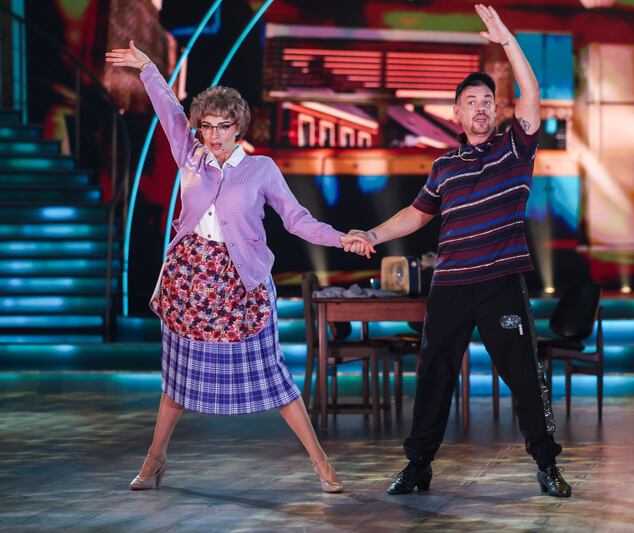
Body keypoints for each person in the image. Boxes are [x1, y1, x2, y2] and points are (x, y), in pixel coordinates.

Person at [106, 42, 375, 494]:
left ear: (238, 128)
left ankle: (320, 461)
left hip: (239, 282)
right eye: (206, 126)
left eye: (223, 126)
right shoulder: (189, 155)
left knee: (275, 377)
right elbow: (169, 110)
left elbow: (297, 220)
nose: (213, 134)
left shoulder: (260, 169)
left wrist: (341, 237)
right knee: (177, 380)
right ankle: (155, 460)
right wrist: (150, 68)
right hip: (189, 279)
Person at [344, 4, 571, 497]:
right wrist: (372, 235)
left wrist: (505, 39)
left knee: (524, 377)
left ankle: (547, 465)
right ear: (458, 113)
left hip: (500, 283)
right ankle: (418, 466)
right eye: (471, 101)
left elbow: (532, 94)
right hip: (449, 284)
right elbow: (416, 215)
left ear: (497, 108)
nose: (481, 107)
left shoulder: (516, 149)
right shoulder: (444, 166)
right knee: (433, 377)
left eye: (487, 99)